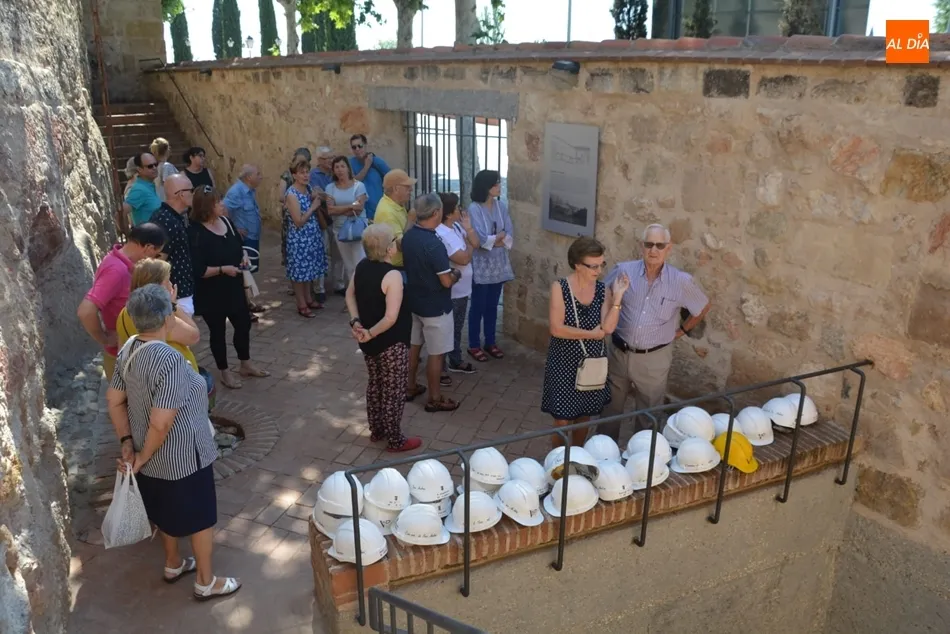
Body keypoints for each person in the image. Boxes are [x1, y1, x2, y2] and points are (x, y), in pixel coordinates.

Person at [106, 284, 240, 601]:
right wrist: (142, 456)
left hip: (146, 452)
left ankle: (173, 563)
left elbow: (114, 400)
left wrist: (129, 444)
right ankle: (206, 581)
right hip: (184, 456)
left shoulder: (129, 348)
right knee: (201, 518)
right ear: (167, 319)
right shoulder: (169, 359)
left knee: (163, 511)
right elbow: (162, 421)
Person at [595, 224, 712, 441]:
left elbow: (702, 305)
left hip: (654, 359)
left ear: (669, 248)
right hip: (619, 352)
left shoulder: (680, 281)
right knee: (609, 409)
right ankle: (603, 452)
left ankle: (642, 455)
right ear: (642, 246)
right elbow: (602, 294)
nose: (653, 250)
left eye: (660, 245)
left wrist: (682, 330)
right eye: (649, 244)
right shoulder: (624, 271)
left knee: (648, 416)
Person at [542, 237, 628, 448]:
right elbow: (556, 328)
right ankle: (558, 459)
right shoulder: (560, 287)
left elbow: (608, 328)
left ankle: (577, 454)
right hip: (564, 361)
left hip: (592, 363)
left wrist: (617, 298)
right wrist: (591, 334)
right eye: (593, 266)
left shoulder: (602, 290)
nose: (599, 271)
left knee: (584, 416)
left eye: (601, 264)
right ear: (577, 264)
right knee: (562, 419)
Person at [345, 224, 421, 453]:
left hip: (369, 340)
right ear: (389, 249)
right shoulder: (392, 275)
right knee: (393, 390)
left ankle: (377, 429)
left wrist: (356, 322)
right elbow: (390, 317)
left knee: (376, 384)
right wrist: (369, 332)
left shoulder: (362, 266)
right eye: (393, 241)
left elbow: (349, 295)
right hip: (391, 342)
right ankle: (395, 439)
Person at [188, 186, 270, 390]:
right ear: (206, 207)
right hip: (211, 292)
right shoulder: (195, 233)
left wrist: (243, 256)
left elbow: (237, 246)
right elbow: (199, 270)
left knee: (243, 324)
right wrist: (223, 269)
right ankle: (224, 371)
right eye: (217, 202)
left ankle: (245, 363)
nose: (222, 204)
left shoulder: (226, 222)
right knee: (218, 331)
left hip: (234, 286)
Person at [114, 258, 216, 413]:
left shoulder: (124, 312)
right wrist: (173, 306)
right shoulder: (160, 317)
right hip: (175, 390)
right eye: (167, 281)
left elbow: (121, 352)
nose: (171, 285)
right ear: (155, 286)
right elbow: (194, 335)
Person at [77, 223, 166, 379]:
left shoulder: (119, 261)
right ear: (148, 248)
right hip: (125, 360)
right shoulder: (117, 271)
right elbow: (86, 311)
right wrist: (104, 339)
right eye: (156, 254)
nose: (155, 259)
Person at [402, 193, 461, 413]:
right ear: (436, 213)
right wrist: (455, 274)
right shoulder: (434, 245)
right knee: (436, 353)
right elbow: (446, 281)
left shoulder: (408, 236)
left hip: (413, 301)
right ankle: (435, 398)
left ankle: (409, 386)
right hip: (436, 306)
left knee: (413, 346)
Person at [467, 169, 514, 363]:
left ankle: (490, 341)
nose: (499, 186)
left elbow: (509, 232)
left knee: (492, 305)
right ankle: (473, 344)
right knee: (478, 305)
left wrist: (496, 240)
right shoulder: (474, 209)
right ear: (486, 187)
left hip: (498, 263)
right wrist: (497, 239)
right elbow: (479, 238)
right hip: (481, 264)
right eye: (496, 183)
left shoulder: (501, 206)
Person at [435, 192, 478, 374]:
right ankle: (440, 367)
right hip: (451, 291)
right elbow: (463, 259)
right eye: (457, 208)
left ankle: (455, 359)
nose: (461, 210)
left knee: (457, 328)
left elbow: (476, 242)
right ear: (448, 213)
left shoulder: (458, 227)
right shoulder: (441, 233)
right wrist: (469, 247)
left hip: (463, 290)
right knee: (446, 330)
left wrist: (469, 229)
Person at [283, 155, 329, 317]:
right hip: (299, 240)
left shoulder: (308, 188)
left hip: (311, 237)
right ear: (294, 175)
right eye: (301, 172)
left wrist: (318, 195)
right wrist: (313, 207)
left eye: (307, 172)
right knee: (299, 273)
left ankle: (309, 299)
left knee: (308, 271)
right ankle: (301, 304)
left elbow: (323, 197)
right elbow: (298, 221)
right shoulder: (291, 194)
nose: (305, 175)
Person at [151, 173, 197, 316]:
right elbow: (157, 261)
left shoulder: (170, 216)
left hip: (178, 291)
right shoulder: (167, 221)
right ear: (181, 194)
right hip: (176, 295)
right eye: (191, 190)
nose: (194, 194)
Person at [325, 156, 368, 287]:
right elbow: (330, 210)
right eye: (336, 167)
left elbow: (359, 208)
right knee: (349, 265)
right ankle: (353, 292)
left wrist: (339, 208)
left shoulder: (359, 186)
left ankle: (363, 291)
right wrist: (350, 206)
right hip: (340, 231)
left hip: (357, 229)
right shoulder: (330, 188)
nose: (340, 170)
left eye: (342, 166)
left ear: (348, 168)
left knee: (360, 263)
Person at [222, 164, 264, 275]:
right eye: (258, 174)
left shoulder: (250, 190)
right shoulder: (236, 192)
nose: (261, 177)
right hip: (245, 240)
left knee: (251, 270)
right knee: (245, 272)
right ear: (249, 177)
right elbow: (222, 210)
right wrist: (234, 229)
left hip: (252, 238)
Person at [372, 169, 416, 270]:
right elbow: (401, 246)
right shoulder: (387, 212)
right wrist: (411, 220)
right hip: (394, 268)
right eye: (407, 187)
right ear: (396, 189)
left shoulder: (396, 203)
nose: (411, 190)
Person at [310, 147, 337, 300]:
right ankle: (319, 288)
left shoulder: (335, 173)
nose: (331, 161)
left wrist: (326, 195)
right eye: (328, 158)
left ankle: (338, 284)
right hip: (322, 219)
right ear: (320, 160)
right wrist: (331, 196)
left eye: (332, 157)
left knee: (336, 253)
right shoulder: (314, 175)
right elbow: (316, 194)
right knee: (322, 252)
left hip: (336, 216)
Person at [348, 134, 390, 221]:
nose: (357, 149)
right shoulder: (350, 164)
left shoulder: (377, 162)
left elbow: (392, 179)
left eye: (360, 146)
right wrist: (367, 166)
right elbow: (353, 183)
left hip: (379, 211)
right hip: (360, 214)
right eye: (354, 147)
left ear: (365, 145)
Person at [125, 152, 162, 226]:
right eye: (150, 166)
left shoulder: (149, 185)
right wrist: (126, 232)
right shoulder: (139, 189)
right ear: (139, 169)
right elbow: (120, 214)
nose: (154, 168)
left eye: (156, 164)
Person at [150, 137, 180, 202]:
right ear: (167, 150)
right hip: (167, 201)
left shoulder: (156, 167)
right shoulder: (167, 166)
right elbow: (169, 184)